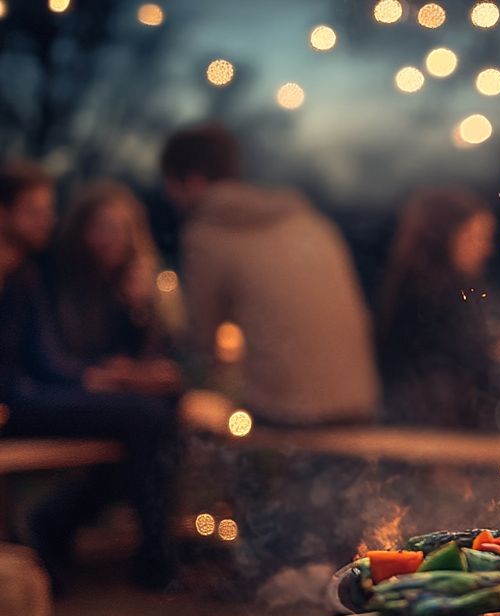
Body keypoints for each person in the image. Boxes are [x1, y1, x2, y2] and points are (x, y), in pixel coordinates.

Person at [0, 162, 179, 589]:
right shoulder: (36, 273)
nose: (49, 221)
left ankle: (59, 524)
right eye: (35, 211)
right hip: (21, 400)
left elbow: (47, 351)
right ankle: (154, 556)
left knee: (161, 412)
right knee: (147, 418)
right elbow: (42, 359)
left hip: (33, 392)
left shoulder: (24, 271)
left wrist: (138, 315)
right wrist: (91, 378)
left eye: (50, 210)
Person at [160, 123, 379, 426]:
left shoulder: (207, 231)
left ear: (193, 182)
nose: (171, 200)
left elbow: (201, 343)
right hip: (359, 401)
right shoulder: (308, 220)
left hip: (287, 412)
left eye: (170, 187)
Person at [377, 188, 496, 428]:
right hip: (433, 428)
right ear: (443, 236)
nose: (486, 249)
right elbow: (471, 364)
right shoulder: (435, 295)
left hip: (420, 420)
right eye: (476, 237)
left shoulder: (410, 284)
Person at [55, 181, 182, 394]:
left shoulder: (136, 282)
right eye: (103, 227)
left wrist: (140, 310)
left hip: (122, 386)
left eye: (123, 228)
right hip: (78, 386)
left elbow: (160, 354)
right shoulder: (62, 281)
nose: (115, 238)